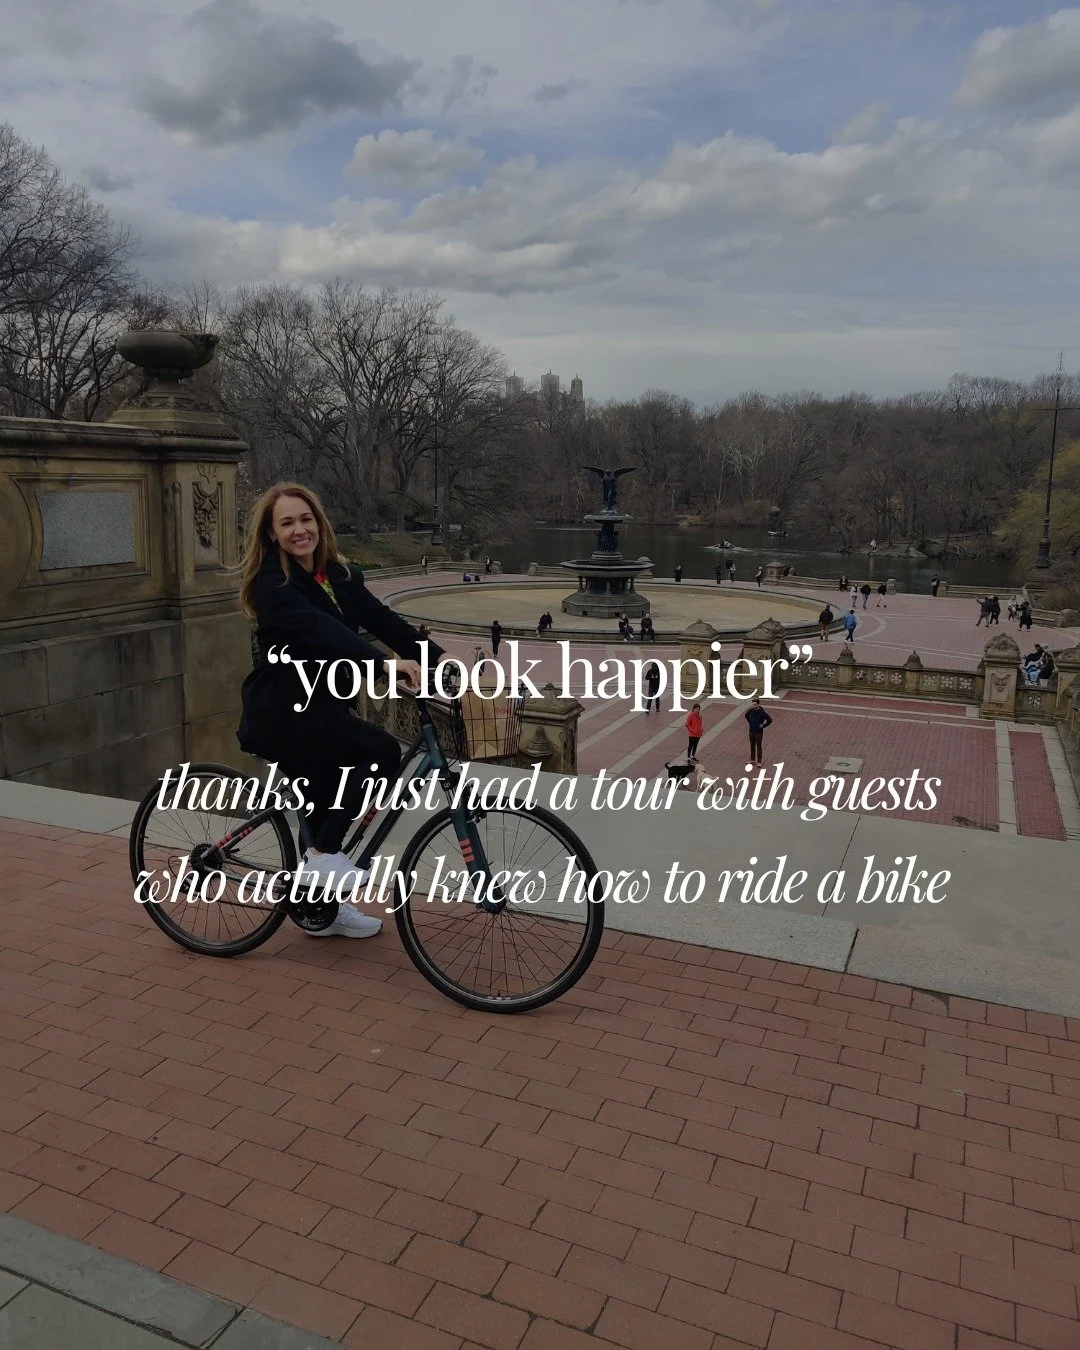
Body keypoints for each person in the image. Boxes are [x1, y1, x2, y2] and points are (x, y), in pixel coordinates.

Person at [236, 482, 438, 939]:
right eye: (286, 523)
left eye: (305, 519)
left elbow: (382, 619)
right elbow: (326, 632)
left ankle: (324, 904)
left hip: (322, 709)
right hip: (285, 713)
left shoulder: (335, 576)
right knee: (382, 752)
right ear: (271, 534)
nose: (299, 529)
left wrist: (437, 660)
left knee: (330, 803)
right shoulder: (273, 586)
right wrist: (386, 664)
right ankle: (325, 856)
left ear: (319, 523)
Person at [744, 696, 772, 765]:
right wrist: (750, 722)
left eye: (755, 705)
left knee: (759, 746)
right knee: (752, 745)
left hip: (759, 732)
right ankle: (752, 759)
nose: (753, 706)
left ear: (758, 704)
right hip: (751, 731)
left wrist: (763, 725)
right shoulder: (751, 710)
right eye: (753, 704)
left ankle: (759, 761)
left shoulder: (762, 712)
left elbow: (770, 720)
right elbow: (746, 715)